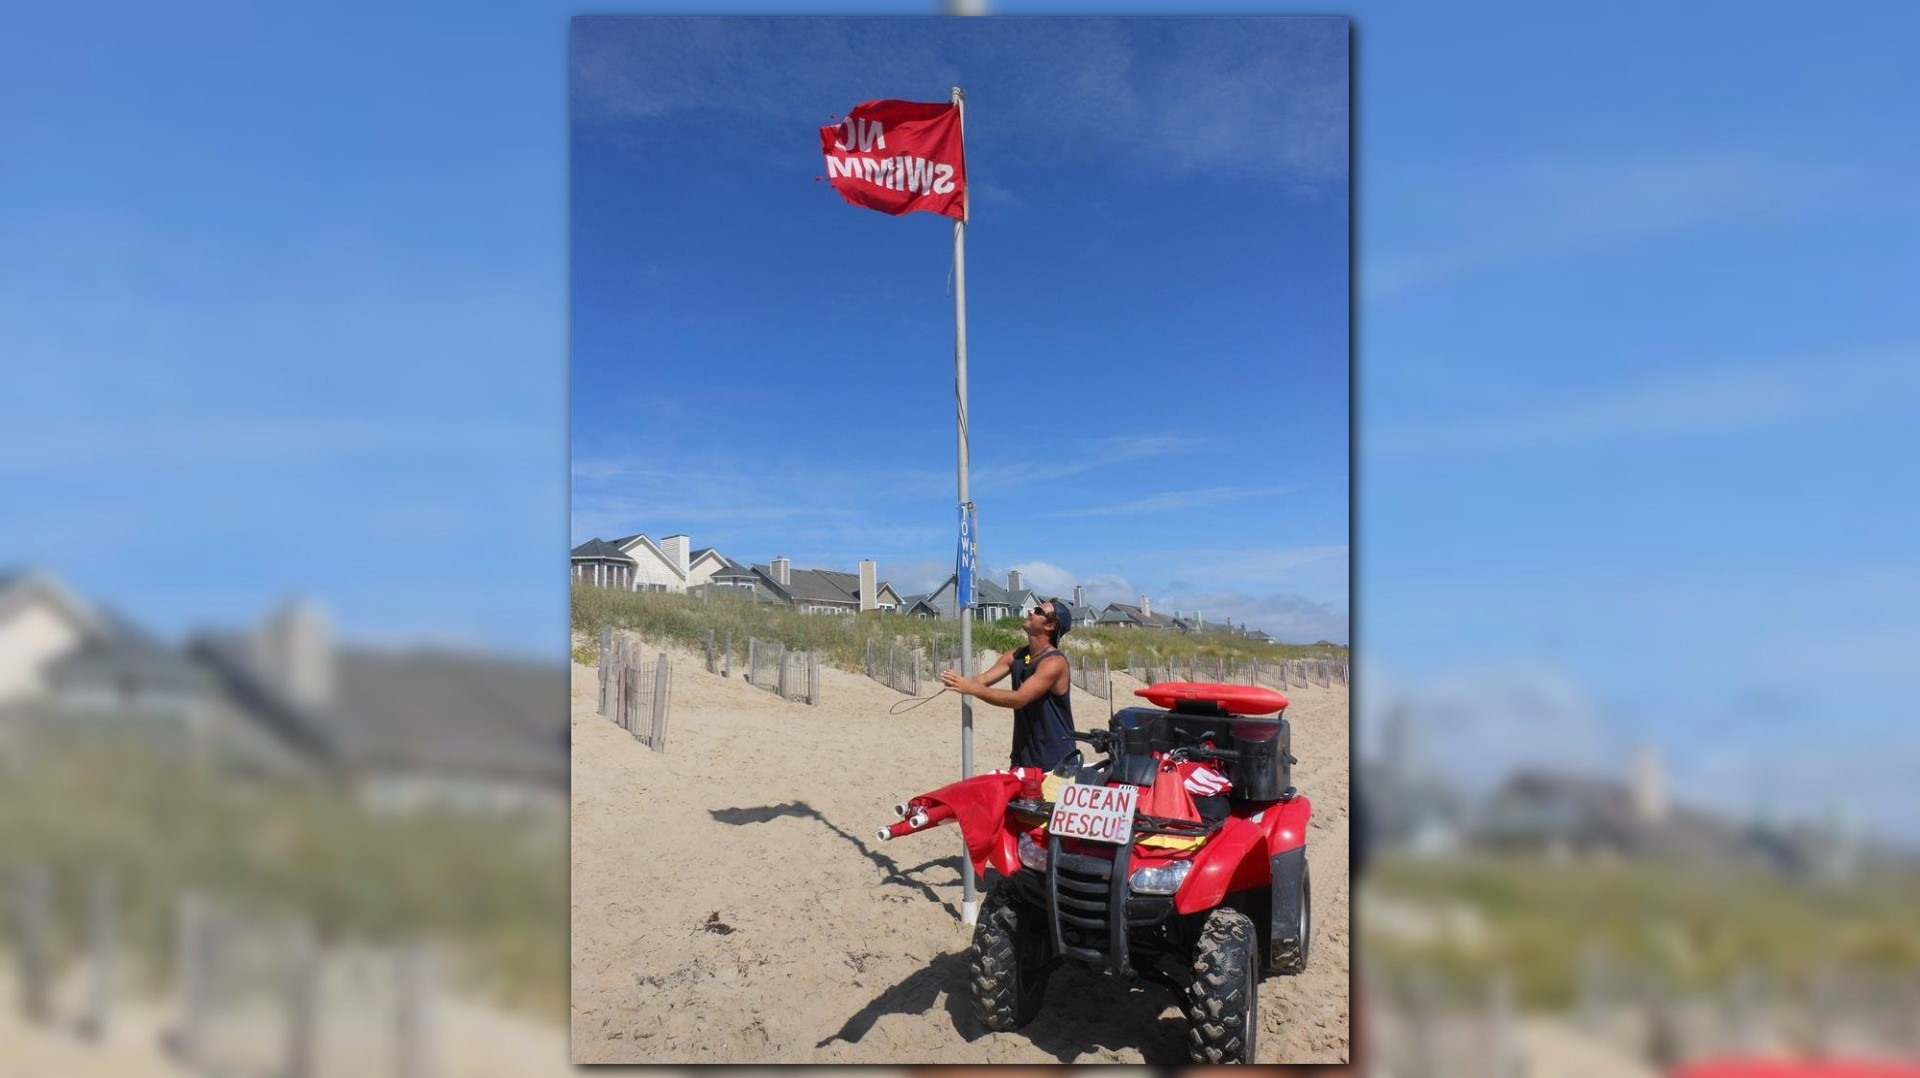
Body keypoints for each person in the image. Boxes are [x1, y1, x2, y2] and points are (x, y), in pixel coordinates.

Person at [939, 596, 1076, 770]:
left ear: (1050, 626)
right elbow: (981, 680)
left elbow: (1019, 699)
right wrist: (957, 681)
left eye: (1038, 611)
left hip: (1056, 762)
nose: (1030, 612)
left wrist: (971, 688)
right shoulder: (1016, 655)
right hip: (1022, 759)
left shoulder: (1054, 662)